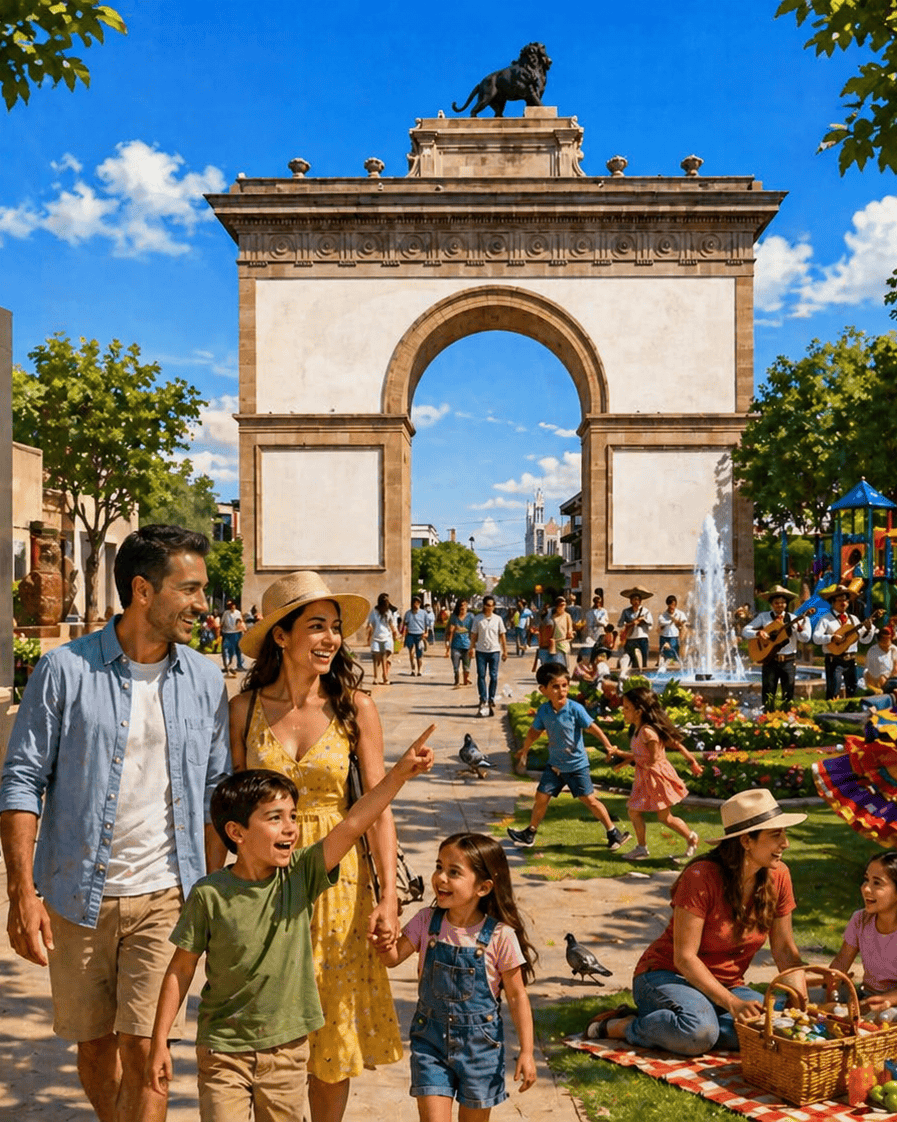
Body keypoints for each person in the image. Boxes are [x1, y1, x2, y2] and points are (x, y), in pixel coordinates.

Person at [0, 524, 230, 1122]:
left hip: (168, 897)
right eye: (190, 589)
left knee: (150, 1047)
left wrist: (213, 892)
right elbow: (22, 780)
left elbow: (214, 795)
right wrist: (21, 892)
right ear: (143, 591)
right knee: (96, 1046)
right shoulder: (64, 671)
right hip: (78, 896)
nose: (203, 605)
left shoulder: (205, 680)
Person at [147, 731, 435, 1121]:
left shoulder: (299, 876)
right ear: (237, 833)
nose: (291, 829)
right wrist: (159, 1040)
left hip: (286, 1052)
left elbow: (353, 823)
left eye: (293, 817)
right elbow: (180, 969)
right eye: (275, 818)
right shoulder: (209, 895)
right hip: (223, 1051)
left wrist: (398, 775)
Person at [229, 570, 406, 1122]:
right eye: (316, 626)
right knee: (266, 1026)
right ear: (281, 636)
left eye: (335, 628)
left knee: (329, 1033)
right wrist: (220, 896)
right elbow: (230, 812)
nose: (331, 638)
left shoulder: (356, 707)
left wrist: (389, 897)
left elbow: (377, 806)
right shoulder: (245, 710)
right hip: (266, 885)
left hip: (339, 886)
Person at [586, 789, 806, 1055]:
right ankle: (623, 1026)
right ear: (746, 841)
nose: (786, 843)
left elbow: (784, 949)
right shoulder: (700, 877)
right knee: (699, 1033)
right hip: (667, 975)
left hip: (726, 985)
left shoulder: (779, 875)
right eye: (776, 835)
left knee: (775, 1028)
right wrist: (732, 1004)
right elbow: (685, 958)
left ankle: (689, 1022)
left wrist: (800, 1000)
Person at [376, 833, 537, 1116]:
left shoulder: (501, 936)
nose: (441, 878)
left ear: (483, 888)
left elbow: (517, 995)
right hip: (430, 1042)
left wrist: (526, 1051)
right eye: (439, 867)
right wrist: (382, 934)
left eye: (454, 872)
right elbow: (391, 958)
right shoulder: (426, 921)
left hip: (480, 1051)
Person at [508, 662, 631, 851]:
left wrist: (608, 746)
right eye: (555, 687)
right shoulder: (544, 711)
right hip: (555, 766)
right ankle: (530, 833)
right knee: (541, 797)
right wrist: (524, 749)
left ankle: (613, 833)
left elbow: (593, 728)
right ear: (543, 690)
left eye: (564, 685)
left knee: (589, 800)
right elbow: (534, 732)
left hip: (576, 766)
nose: (561, 690)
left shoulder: (575, 709)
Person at [606, 687, 703, 862]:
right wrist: (623, 758)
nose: (623, 711)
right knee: (638, 812)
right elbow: (666, 747)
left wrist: (621, 754)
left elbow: (650, 759)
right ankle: (643, 847)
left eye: (626, 708)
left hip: (655, 778)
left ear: (639, 711)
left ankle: (690, 838)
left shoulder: (647, 732)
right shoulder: (641, 729)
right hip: (646, 777)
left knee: (663, 817)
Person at [828, 852, 897, 1014]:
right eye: (866, 879)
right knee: (811, 997)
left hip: (892, 1002)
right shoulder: (860, 919)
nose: (866, 888)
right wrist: (831, 993)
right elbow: (841, 962)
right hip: (866, 994)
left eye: (877, 883)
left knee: (887, 1016)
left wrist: (886, 1001)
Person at [741, 586, 812, 712]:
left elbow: (805, 638)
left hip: (788, 661)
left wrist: (800, 628)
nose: (780, 605)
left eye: (782, 603)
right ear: (772, 604)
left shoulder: (792, 619)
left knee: (788, 694)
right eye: (776, 603)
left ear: (786, 604)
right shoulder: (764, 617)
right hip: (770, 660)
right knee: (768, 693)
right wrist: (759, 634)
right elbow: (745, 631)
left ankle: (787, 720)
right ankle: (767, 718)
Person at [812, 585, 877, 700]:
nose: (843, 603)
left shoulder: (854, 619)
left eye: (846, 600)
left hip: (851, 660)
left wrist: (868, 629)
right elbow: (816, 638)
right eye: (840, 600)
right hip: (834, 660)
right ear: (833, 602)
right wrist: (831, 638)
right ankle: (831, 715)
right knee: (833, 692)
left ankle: (850, 713)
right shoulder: (826, 619)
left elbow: (864, 640)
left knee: (852, 691)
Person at [470, 595, 508, 717]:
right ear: (484, 606)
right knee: (481, 675)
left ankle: (491, 698)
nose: (490, 608)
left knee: (494, 676)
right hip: (481, 651)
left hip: (494, 651)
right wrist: (471, 648)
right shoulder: (478, 619)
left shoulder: (498, 619)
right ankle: (483, 698)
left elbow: (502, 635)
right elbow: (474, 635)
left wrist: (505, 651)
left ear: (494, 607)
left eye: (492, 605)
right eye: (488, 605)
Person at [617, 587, 654, 670]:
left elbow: (651, 623)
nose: (636, 601)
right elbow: (620, 624)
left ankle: (643, 676)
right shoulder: (626, 611)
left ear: (640, 601)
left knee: (643, 660)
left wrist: (642, 620)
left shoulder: (645, 611)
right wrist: (631, 624)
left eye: (638, 600)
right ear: (631, 601)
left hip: (642, 638)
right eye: (634, 599)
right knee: (632, 660)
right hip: (631, 639)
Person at [367, 592, 399, 686]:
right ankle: (376, 677)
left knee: (385, 656)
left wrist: (395, 633)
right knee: (376, 659)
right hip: (376, 638)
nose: (387, 602)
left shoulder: (388, 612)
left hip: (386, 637)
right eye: (386, 601)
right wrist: (369, 634)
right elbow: (370, 623)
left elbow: (391, 624)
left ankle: (385, 677)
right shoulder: (374, 611)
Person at [862, 626, 897, 707]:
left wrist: (891, 678)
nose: (887, 641)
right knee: (882, 678)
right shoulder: (873, 651)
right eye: (884, 638)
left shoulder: (894, 649)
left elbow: (896, 667)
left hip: (892, 679)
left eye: (888, 638)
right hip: (877, 680)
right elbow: (869, 672)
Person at [444, 597, 474, 688]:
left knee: (466, 667)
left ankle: (466, 679)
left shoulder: (471, 617)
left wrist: (473, 647)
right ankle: (456, 681)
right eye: (461, 607)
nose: (463, 608)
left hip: (467, 646)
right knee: (456, 667)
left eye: (465, 606)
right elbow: (449, 632)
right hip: (455, 646)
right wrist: (447, 647)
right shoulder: (454, 617)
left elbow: (474, 632)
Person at [401, 595, 429, 677]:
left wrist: (426, 633)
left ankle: (419, 670)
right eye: (414, 603)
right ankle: (413, 669)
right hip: (410, 635)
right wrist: (403, 635)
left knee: (419, 655)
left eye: (417, 603)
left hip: (420, 635)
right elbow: (405, 625)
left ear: (420, 604)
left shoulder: (423, 613)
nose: (415, 605)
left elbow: (427, 625)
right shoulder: (408, 613)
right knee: (411, 652)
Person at [657, 594, 687, 666]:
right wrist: (670, 621)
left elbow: (683, 622)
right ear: (668, 604)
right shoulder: (663, 615)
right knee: (664, 654)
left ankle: (674, 669)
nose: (672, 607)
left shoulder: (679, 613)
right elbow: (660, 623)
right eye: (670, 605)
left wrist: (677, 621)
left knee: (674, 654)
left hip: (674, 636)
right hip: (664, 636)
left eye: (674, 605)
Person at [220, 598, 246, 677]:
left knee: (237, 650)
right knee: (227, 650)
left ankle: (239, 665)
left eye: (233, 605)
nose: (232, 607)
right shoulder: (226, 613)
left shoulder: (238, 613)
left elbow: (241, 623)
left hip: (236, 634)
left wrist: (243, 629)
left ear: (235, 605)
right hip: (227, 634)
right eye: (230, 606)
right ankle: (227, 666)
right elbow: (222, 623)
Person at [550, 595, 575, 670]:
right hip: (555, 643)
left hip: (564, 642)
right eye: (561, 605)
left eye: (564, 605)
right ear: (557, 606)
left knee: (566, 663)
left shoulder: (567, 616)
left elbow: (570, 627)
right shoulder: (553, 617)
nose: (563, 607)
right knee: (557, 663)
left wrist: (570, 632)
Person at [583, 593, 609, 660]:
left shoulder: (603, 611)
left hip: (601, 631)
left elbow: (606, 621)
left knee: (601, 647)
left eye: (599, 602)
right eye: (596, 602)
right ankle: (593, 660)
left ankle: (601, 660)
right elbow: (589, 623)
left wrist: (603, 624)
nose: (598, 604)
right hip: (593, 632)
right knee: (594, 647)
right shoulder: (589, 612)